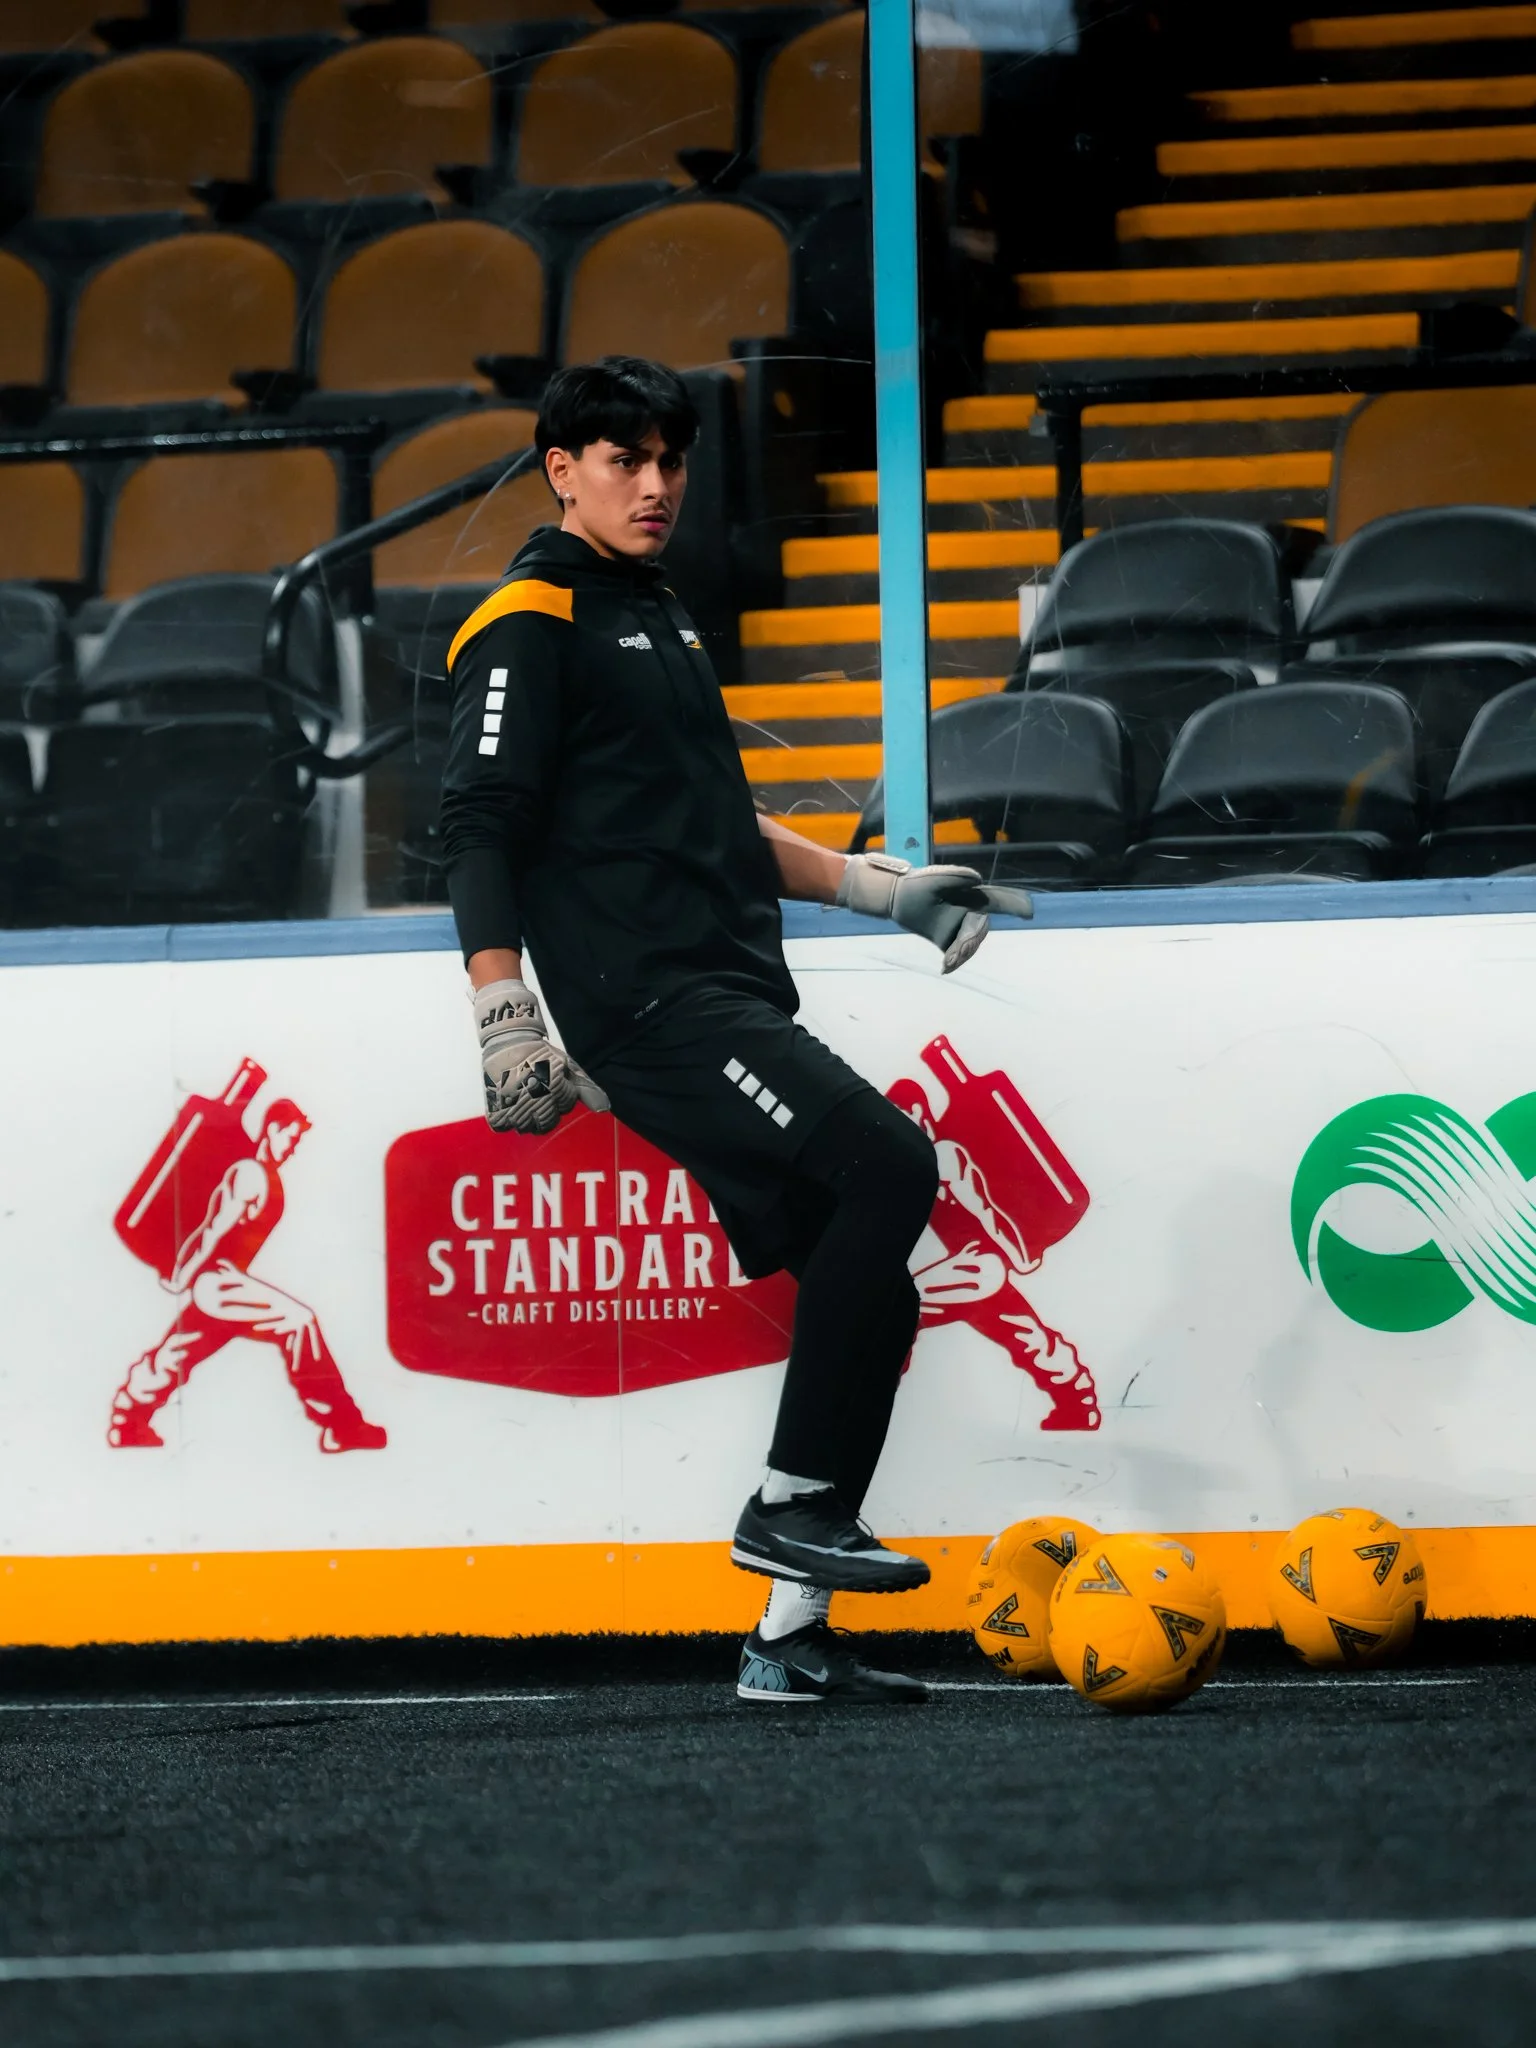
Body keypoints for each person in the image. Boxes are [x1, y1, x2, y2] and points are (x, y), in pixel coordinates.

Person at [439, 356, 1030, 1705]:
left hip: (723, 987)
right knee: (886, 1166)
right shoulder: (529, 619)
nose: (656, 486)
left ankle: (787, 1637)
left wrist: (882, 889)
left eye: (672, 462)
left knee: (860, 1272)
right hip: (646, 1003)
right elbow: (479, 824)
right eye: (624, 461)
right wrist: (500, 1008)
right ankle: (790, 1507)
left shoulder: (658, 615)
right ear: (561, 471)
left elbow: (719, 829)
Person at [108, 1102, 388, 1455]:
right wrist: (184, 1274)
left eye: (298, 1138)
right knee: (299, 1323)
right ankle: (343, 1426)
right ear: (272, 1129)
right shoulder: (250, 1174)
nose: (294, 1144)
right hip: (218, 1283)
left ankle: (127, 1419)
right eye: (292, 1135)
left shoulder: (269, 1179)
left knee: (177, 1352)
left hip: (226, 1284)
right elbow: (213, 1229)